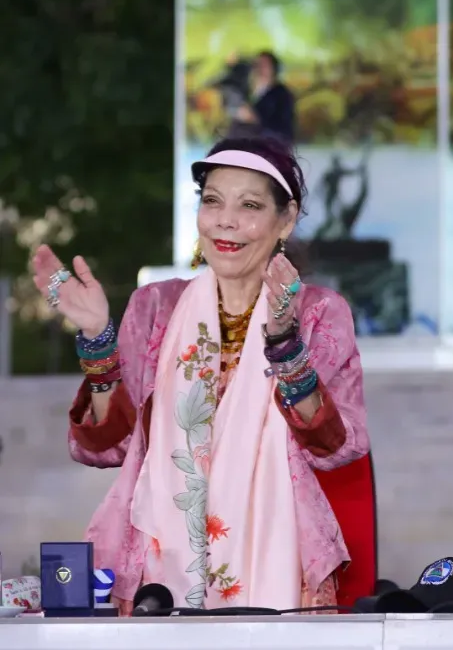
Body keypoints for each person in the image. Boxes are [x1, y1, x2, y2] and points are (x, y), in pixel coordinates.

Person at [31, 136, 369, 613]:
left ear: (286, 219)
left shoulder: (318, 314)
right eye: (212, 201)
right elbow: (107, 445)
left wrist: (286, 346)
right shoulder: (156, 307)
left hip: (276, 559)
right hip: (156, 568)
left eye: (249, 205)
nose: (225, 221)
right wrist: (97, 342)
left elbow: (337, 447)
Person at [230, 50, 297, 145]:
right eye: (257, 65)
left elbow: (280, 123)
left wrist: (254, 118)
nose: (260, 69)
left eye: (264, 65)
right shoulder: (252, 91)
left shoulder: (282, 94)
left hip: (273, 141)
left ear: (274, 68)